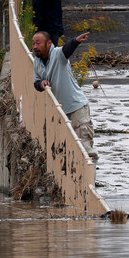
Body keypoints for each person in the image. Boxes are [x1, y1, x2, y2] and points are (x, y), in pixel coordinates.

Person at [32, 30, 98, 163]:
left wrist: (76, 41)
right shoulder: (37, 62)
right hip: (60, 112)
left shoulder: (57, 55)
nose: (34, 47)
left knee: (85, 148)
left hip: (76, 108)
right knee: (65, 149)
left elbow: (66, 50)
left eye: (38, 43)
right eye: (33, 43)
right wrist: (42, 83)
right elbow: (36, 82)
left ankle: (91, 180)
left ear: (49, 43)